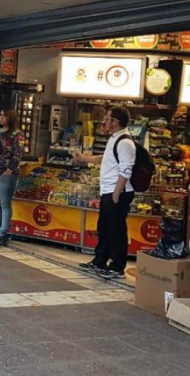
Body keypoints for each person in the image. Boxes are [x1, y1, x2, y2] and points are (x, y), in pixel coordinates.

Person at [73, 106, 136, 280]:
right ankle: (100, 260)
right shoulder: (114, 139)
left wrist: (116, 194)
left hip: (117, 192)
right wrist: (84, 159)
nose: (104, 122)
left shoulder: (125, 142)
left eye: (107, 119)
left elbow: (126, 170)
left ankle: (117, 267)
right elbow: (105, 159)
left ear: (115, 122)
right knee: (105, 228)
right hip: (108, 191)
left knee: (116, 231)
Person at [0, 109, 25, 247]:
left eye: (5, 115)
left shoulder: (17, 134)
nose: (1, 118)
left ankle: (3, 233)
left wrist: (11, 168)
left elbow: (18, 153)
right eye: (0, 115)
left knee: (4, 203)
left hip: (7, 172)